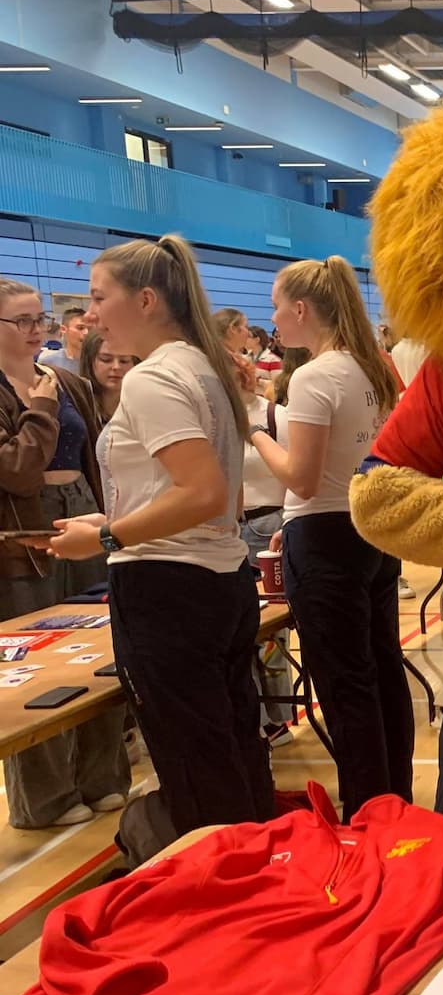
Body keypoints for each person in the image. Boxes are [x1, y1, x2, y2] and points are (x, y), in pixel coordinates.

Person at [43, 234, 272, 850]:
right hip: (217, 580)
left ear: (146, 300)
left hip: (170, 587)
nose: (88, 314)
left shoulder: (156, 379)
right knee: (231, 747)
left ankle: (225, 900)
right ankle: (255, 883)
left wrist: (106, 533)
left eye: (98, 297)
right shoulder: (202, 365)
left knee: (196, 764)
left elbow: (200, 491)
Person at [248, 256, 412, 819]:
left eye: (275, 306)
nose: (272, 318)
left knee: (347, 683)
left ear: (300, 309)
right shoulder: (377, 365)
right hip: (372, 527)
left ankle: (367, 807)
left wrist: (256, 431)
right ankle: (396, 800)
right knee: (383, 669)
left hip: (323, 533)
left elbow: (301, 475)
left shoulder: (316, 375)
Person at [0, 280, 130, 827]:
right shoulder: (40, 394)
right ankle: (45, 799)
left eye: (40, 321)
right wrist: (38, 412)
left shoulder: (67, 381)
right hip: (20, 537)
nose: (37, 331)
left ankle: (103, 776)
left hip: (82, 512)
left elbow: (97, 459)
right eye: (23, 322)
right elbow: (16, 473)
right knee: (36, 664)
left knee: (99, 647)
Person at [235, 350, 294, 747]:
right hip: (230, 529)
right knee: (239, 631)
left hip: (270, 524)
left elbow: (297, 472)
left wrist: (289, 525)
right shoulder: (212, 422)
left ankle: (279, 716)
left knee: (273, 634)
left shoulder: (276, 417)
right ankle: (255, 718)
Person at [81, 330, 137, 422]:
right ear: (89, 362)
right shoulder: (74, 405)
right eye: (106, 359)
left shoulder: (143, 405)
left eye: (124, 360)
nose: (116, 367)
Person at [35, 307, 87, 375]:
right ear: (63, 329)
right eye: (80, 328)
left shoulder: (97, 363)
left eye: (89, 328)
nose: (86, 332)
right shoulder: (48, 362)